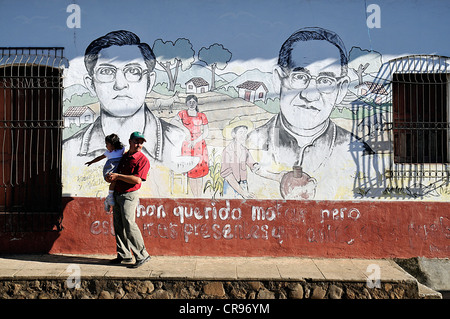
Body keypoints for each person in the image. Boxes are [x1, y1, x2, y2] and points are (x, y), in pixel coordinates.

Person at [247, 27, 377, 199]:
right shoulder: (249, 145)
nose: (310, 95)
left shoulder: (360, 156)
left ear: (341, 89)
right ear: (278, 79)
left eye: (326, 81)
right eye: (300, 77)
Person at [62, 30, 198, 188]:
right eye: (106, 71)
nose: (120, 84)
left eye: (133, 71)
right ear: (91, 84)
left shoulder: (178, 139)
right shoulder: (70, 147)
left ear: (150, 81)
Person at [105, 131, 151, 268]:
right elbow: (116, 171)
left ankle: (142, 255)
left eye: (141, 142)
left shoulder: (143, 160)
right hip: (118, 193)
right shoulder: (125, 156)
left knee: (129, 224)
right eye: (136, 141)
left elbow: (137, 179)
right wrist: (111, 177)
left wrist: (118, 176)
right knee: (118, 225)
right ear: (130, 141)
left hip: (130, 195)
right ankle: (124, 255)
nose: (139, 145)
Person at [171, 95, 209, 197]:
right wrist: (185, 129)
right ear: (186, 103)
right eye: (189, 101)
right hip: (187, 145)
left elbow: (206, 132)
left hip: (199, 145)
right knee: (191, 171)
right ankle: (195, 197)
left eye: (193, 101)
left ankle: (199, 196)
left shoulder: (201, 115)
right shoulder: (182, 113)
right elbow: (173, 121)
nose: (191, 103)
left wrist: (196, 140)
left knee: (199, 172)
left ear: (196, 103)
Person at [220, 117, 260, 199]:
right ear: (234, 134)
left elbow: (253, 165)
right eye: (241, 132)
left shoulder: (244, 150)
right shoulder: (227, 151)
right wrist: (243, 193)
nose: (243, 135)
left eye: (245, 133)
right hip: (230, 186)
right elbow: (227, 175)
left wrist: (255, 166)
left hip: (243, 184)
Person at [84, 133, 125, 211]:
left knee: (116, 181)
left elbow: (126, 153)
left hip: (118, 169)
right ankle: (110, 196)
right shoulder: (108, 152)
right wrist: (91, 162)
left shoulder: (121, 149)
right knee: (112, 180)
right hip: (110, 169)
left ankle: (109, 198)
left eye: (107, 144)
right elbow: (100, 157)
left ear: (113, 144)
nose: (106, 146)